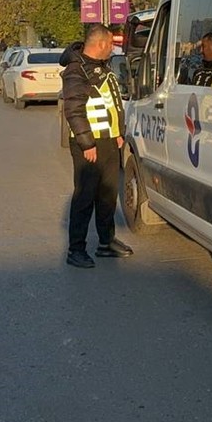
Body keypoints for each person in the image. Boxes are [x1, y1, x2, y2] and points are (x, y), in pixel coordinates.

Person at [59, 24, 134, 267]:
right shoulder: (76, 71)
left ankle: (106, 242)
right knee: (85, 197)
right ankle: (76, 250)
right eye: (111, 44)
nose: (113, 49)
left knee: (108, 195)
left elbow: (111, 103)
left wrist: (118, 134)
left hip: (109, 142)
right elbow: (73, 109)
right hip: (89, 145)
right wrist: (87, 143)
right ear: (101, 44)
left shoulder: (102, 67)